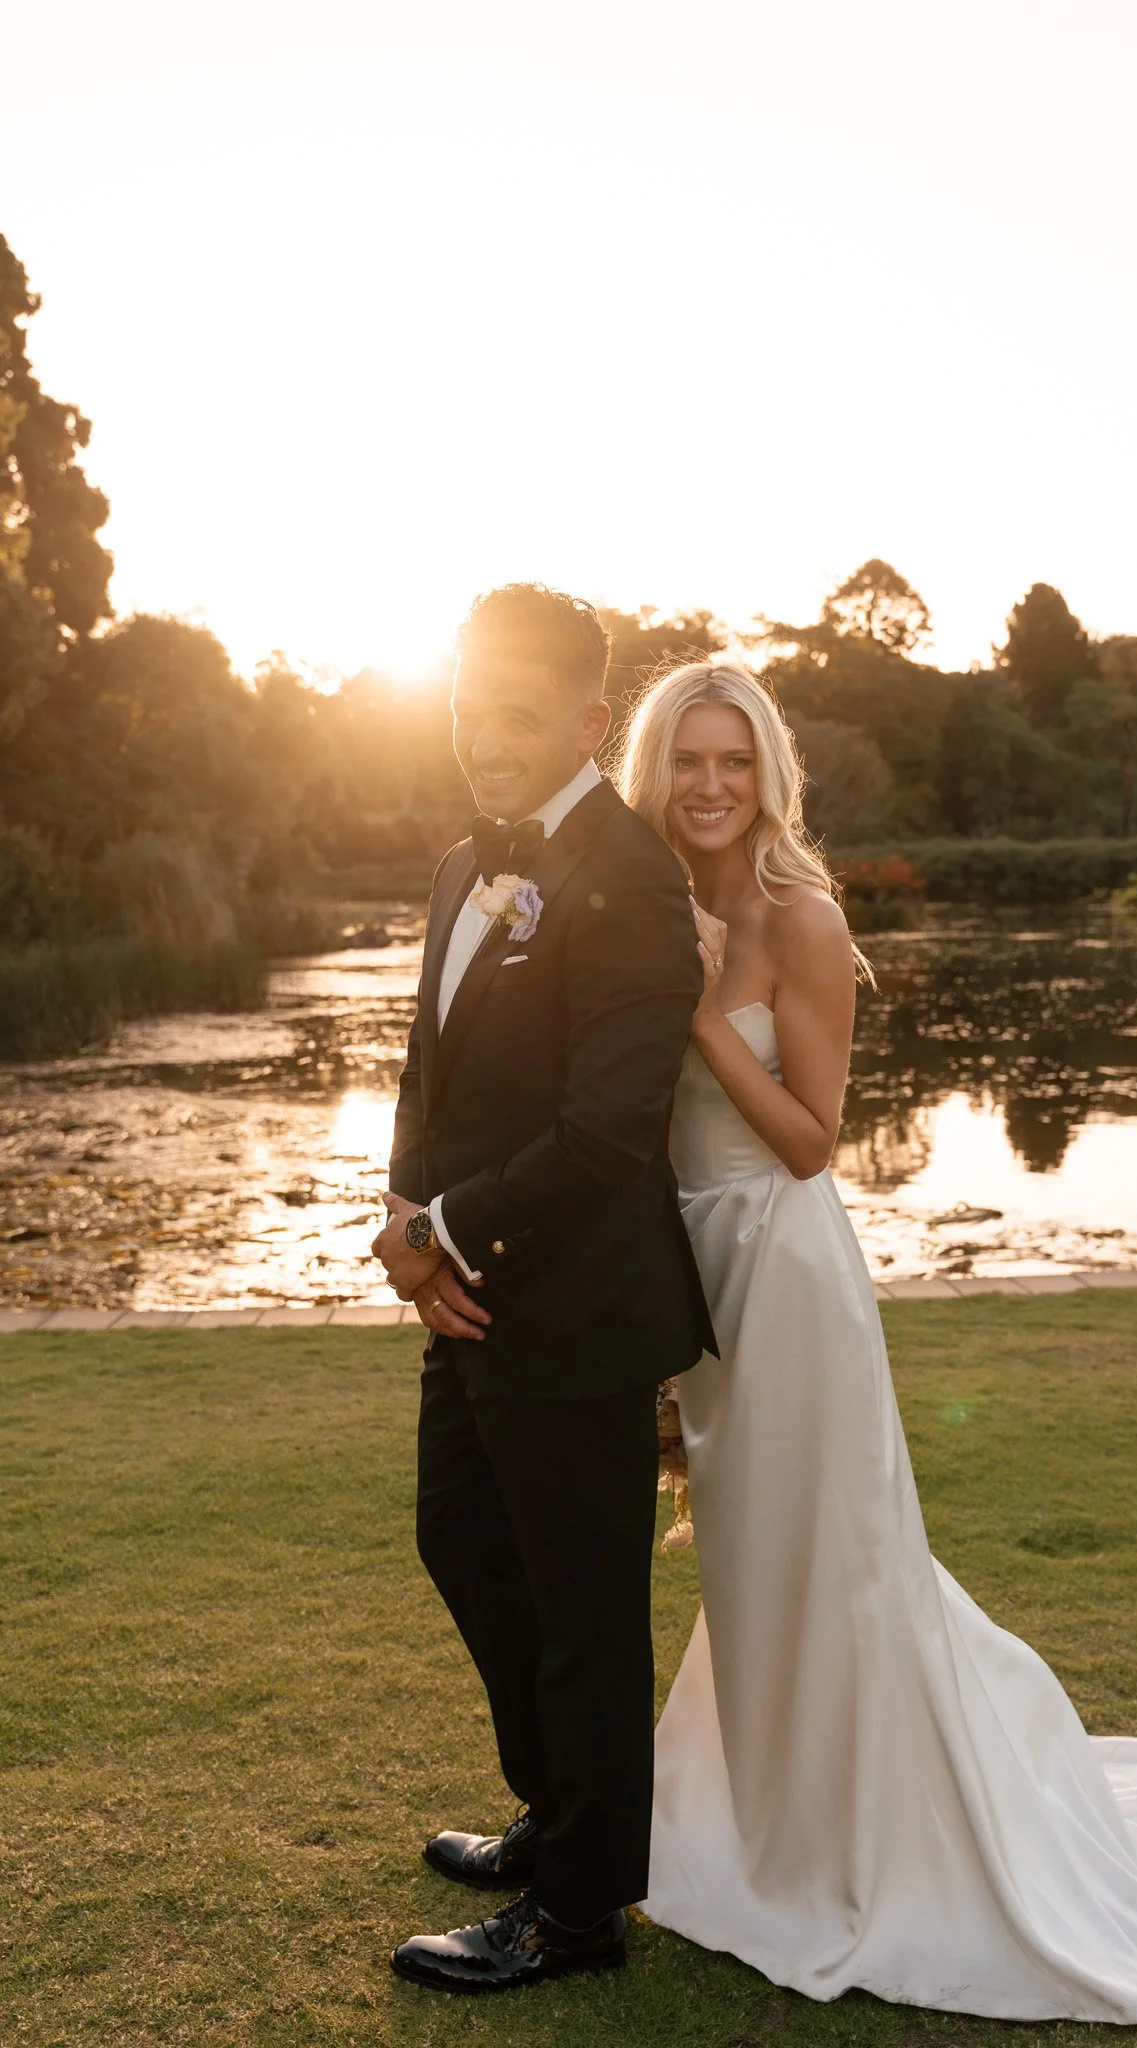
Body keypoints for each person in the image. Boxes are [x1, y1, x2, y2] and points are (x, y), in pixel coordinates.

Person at [622, 658, 1137, 2023]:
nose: (711, 785)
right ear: (654, 770)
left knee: (831, 1561)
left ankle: (858, 1849)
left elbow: (806, 1142)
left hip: (784, 1276)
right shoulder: (647, 905)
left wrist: (694, 1008)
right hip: (697, 1280)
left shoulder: (803, 918)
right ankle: (764, 1824)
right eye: (687, 760)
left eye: (734, 760)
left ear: (766, 772)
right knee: (745, 1561)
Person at [371, 585, 714, 1997]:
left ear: (585, 720)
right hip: (468, 1294)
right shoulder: (464, 864)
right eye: (467, 709)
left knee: (583, 1616)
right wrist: (404, 1207)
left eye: (516, 716)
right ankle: (554, 1811)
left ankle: (578, 1919)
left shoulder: (630, 880)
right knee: (458, 1537)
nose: (483, 740)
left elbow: (610, 1131)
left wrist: (450, 1227)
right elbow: (426, 1066)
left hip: (574, 1314)